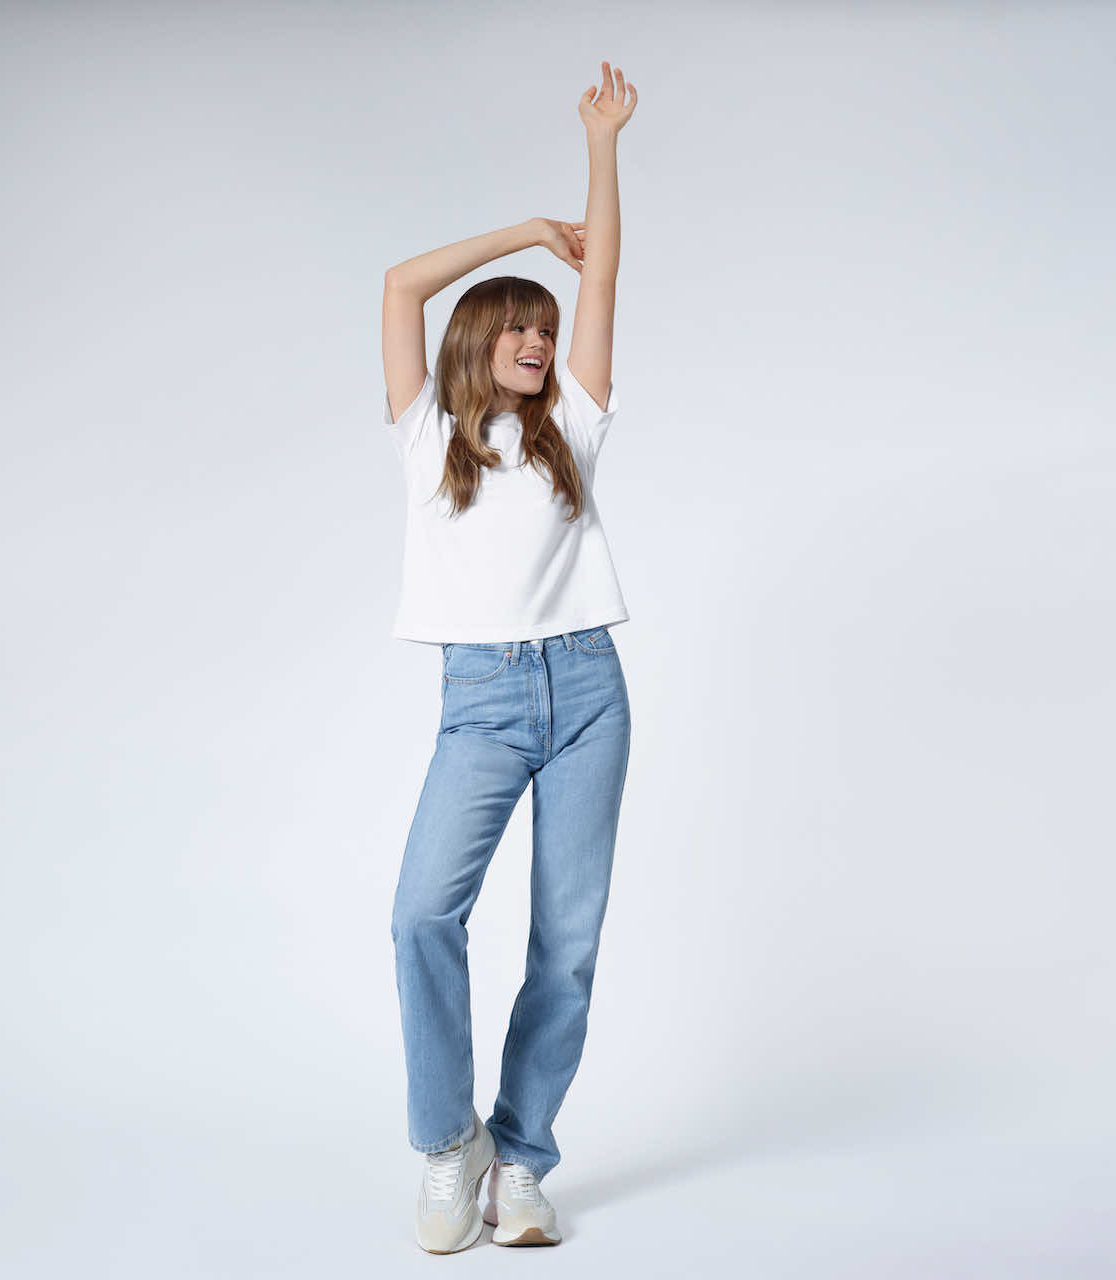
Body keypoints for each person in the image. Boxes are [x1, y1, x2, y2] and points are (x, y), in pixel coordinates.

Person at [382, 61, 638, 1254]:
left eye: (547, 327)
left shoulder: (570, 431)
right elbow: (397, 285)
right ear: (481, 340)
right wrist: (528, 233)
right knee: (421, 914)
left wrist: (600, 152)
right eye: (523, 327)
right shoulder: (427, 437)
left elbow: (607, 284)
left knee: (566, 939)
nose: (541, 340)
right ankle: (452, 1150)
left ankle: (521, 1157)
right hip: (480, 700)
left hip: (586, 690)